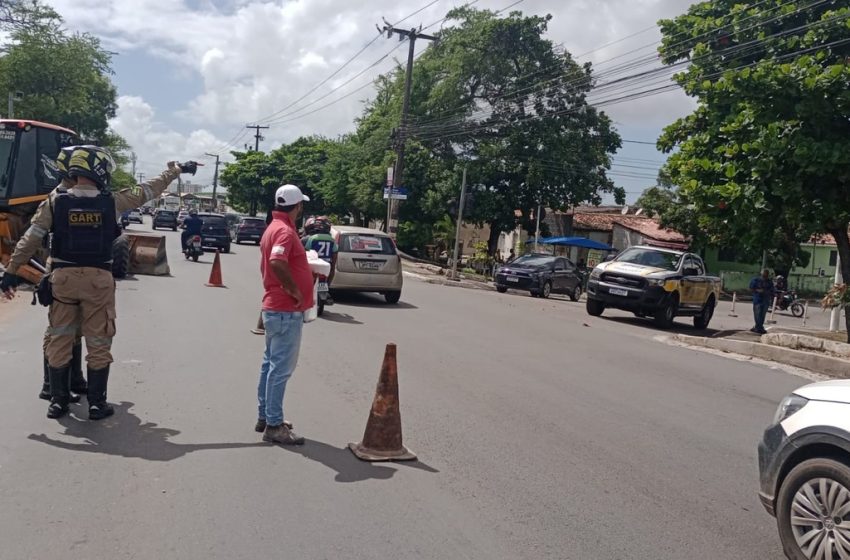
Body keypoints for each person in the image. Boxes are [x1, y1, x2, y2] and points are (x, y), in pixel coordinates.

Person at [1, 146, 197, 419]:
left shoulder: (55, 201)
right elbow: (149, 189)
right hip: (98, 282)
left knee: (59, 337)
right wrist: (174, 171)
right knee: (98, 340)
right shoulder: (112, 201)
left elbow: (31, 238)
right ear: (100, 171)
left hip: (63, 279)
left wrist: (11, 271)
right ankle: (96, 404)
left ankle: (57, 402)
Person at [255, 183, 313, 445]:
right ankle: (274, 425)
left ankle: (266, 416)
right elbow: (277, 262)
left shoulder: (273, 227)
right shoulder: (286, 232)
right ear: (297, 207)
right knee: (280, 369)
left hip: (275, 308)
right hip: (285, 309)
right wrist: (295, 291)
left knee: (270, 365)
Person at [38, 146, 87, 402]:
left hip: (69, 272)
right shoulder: (58, 197)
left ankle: (75, 380)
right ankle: (51, 386)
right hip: (59, 271)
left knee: (73, 330)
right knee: (57, 332)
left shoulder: (72, 194)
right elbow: (35, 233)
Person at [301, 215, 338, 304]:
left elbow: (306, 250)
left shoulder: (312, 238)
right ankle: (327, 289)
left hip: (313, 264)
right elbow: (335, 252)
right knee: (332, 269)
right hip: (326, 265)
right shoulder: (332, 240)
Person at [749, 268, 774, 335]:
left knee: (762, 315)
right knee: (757, 314)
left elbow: (772, 290)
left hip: (766, 300)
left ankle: (758, 327)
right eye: (764, 273)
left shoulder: (769, 282)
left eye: (766, 274)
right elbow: (751, 288)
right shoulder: (756, 280)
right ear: (761, 273)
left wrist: (768, 292)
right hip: (758, 300)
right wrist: (758, 290)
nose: (765, 275)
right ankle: (759, 327)